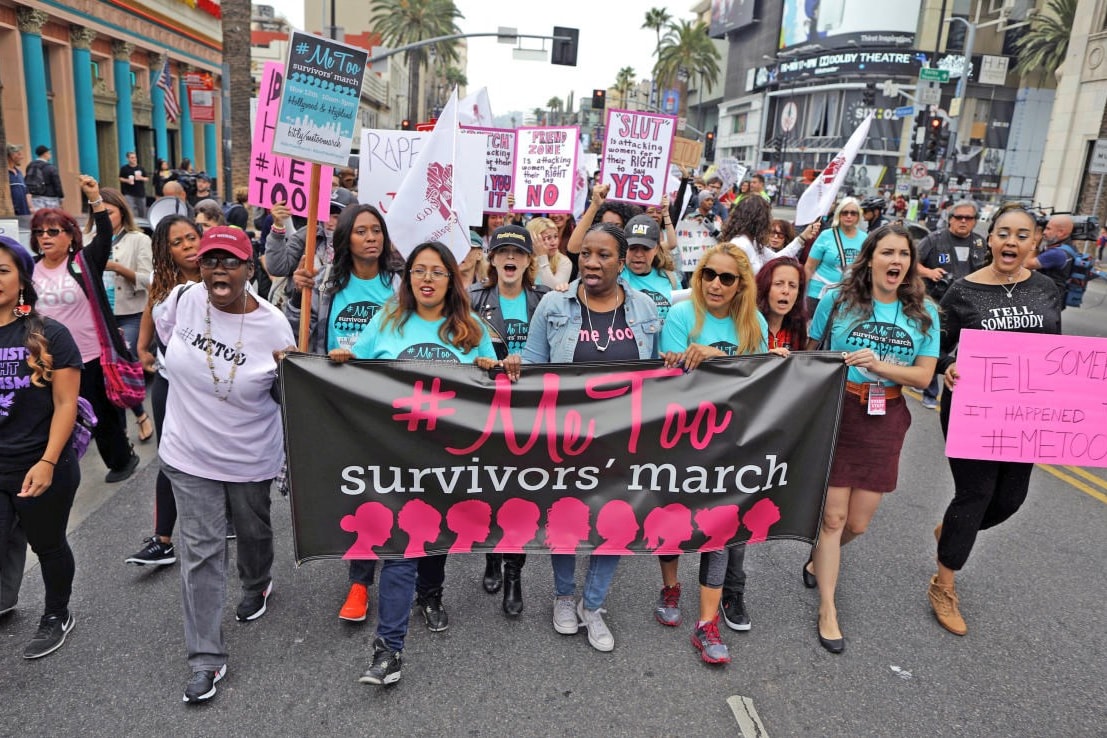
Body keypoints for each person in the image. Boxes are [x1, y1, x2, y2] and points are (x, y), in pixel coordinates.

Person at [329, 240, 498, 686]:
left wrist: (496, 368)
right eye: (418, 270)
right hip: (396, 458)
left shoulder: (471, 328)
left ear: (451, 280)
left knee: (437, 538)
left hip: (449, 461)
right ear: (408, 278)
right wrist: (342, 362)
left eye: (437, 271)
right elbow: (356, 370)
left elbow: (497, 390)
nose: (427, 279)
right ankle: (388, 650)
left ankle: (431, 593)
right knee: (401, 549)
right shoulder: (388, 320)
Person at [156, 226, 295, 704]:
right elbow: (162, 342)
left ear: (249, 269)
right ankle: (205, 658)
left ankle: (258, 581)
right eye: (210, 260)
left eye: (230, 261)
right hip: (187, 452)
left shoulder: (274, 326)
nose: (219, 269)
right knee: (201, 551)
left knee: (253, 530)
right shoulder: (181, 300)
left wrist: (291, 373)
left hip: (248, 455)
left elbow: (287, 397)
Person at [517, 223, 661, 653]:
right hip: (565, 438)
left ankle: (593, 604)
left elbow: (656, 374)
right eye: (586, 254)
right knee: (565, 518)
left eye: (603, 255)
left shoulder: (644, 307)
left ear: (622, 262)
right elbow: (533, 369)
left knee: (614, 520)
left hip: (622, 439)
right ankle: (564, 596)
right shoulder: (553, 305)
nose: (592, 263)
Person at [927, 206, 1062, 637]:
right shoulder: (962, 291)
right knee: (976, 493)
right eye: (1003, 233)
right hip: (973, 409)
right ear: (990, 239)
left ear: (1034, 242)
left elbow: (1056, 352)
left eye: (1021, 235)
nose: (1011, 241)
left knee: (1010, 499)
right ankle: (944, 585)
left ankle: (953, 531)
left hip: (1025, 414)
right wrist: (947, 366)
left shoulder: (1046, 289)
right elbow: (935, 346)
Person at [805, 223, 939, 653]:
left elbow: (924, 376)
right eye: (887, 253)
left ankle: (819, 557)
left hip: (886, 416)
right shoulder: (837, 300)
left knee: (857, 524)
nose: (896, 261)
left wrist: (880, 366)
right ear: (870, 259)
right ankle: (828, 609)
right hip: (839, 409)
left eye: (903, 254)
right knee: (833, 519)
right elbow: (811, 352)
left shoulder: (925, 312)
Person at [657, 242, 776, 663]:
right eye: (709, 274)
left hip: (732, 441)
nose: (716, 284)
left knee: (721, 525)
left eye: (727, 278)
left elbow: (761, 381)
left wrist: (715, 356)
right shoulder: (680, 315)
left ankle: (706, 623)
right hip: (681, 438)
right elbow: (673, 381)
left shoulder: (754, 322)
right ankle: (670, 587)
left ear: (740, 284)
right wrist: (708, 362)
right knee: (673, 518)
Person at [285, 203, 403, 624]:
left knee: (397, 487)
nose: (371, 238)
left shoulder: (401, 284)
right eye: (361, 231)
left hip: (389, 401)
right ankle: (359, 581)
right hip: (340, 401)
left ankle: (408, 574)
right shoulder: (325, 284)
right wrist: (295, 293)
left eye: (377, 230)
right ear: (345, 239)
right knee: (361, 491)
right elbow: (299, 329)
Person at [0, 237, 81, 659]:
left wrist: (48, 461)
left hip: (41, 463)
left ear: (21, 279)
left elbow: (66, 404)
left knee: (47, 544)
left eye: (2, 271)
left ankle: (57, 613)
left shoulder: (50, 334)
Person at [31, 176, 140, 483]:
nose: (45, 237)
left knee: (101, 415)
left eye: (53, 231)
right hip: (48, 359)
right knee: (53, 416)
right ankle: (55, 469)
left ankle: (122, 460)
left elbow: (104, 234)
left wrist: (94, 198)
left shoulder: (84, 261)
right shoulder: (29, 268)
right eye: (40, 232)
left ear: (70, 236)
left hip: (90, 355)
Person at [469, 225, 549, 616]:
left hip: (531, 413)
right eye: (502, 252)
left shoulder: (545, 300)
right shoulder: (473, 299)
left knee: (520, 496)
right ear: (493, 259)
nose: (510, 258)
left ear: (529, 260)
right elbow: (457, 344)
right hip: (487, 412)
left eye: (518, 252)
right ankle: (491, 554)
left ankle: (514, 573)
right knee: (490, 489)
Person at [126, 215, 203, 567]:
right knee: (169, 455)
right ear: (165, 250)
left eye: (191, 237)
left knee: (214, 451)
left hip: (210, 387)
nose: (187, 246)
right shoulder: (162, 280)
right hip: (169, 381)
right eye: (177, 242)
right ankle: (163, 540)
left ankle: (229, 517)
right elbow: (150, 308)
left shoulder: (219, 274)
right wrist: (143, 346)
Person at [84, 187, 155, 442]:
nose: (103, 217)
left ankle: (136, 419)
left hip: (131, 313)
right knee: (106, 371)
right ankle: (128, 424)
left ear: (122, 212)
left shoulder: (139, 239)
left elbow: (148, 280)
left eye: (109, 212)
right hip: (99, 315)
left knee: (122, 365)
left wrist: (117, 267)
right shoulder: (87, 239)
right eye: (99, 212)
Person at [915, 200, 988, 409]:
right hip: (938, 304)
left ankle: (964, 390)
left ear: (975, 221)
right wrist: (929, 272)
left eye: (969, 218)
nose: (963, 221)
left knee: (966, 350)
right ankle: (930, 391)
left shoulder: (980, 243)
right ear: (950, 219)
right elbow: (911, 262)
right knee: (934, 347)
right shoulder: (934, 239)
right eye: (959, 217)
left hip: (970, 306)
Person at [720, 195, 819, 275]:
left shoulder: (753, 242)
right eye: (767, 216)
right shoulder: (740, 244)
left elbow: (776, 259)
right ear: (758, 219)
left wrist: (802, 237)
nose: (769, 221)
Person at [803, 197, 865, 315]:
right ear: (839, 215)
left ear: (858, 216)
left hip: (847, 294)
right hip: (819, 293)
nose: (849, 216)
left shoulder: (864, 238)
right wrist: (801, 292)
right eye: (845, 212)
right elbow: (809, 267)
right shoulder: (826, 236)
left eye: (853, 213)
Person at [621, 213, 681, 322]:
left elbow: (681, 318)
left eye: (645, 248)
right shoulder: (615, 277)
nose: (638, 254)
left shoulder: (671, 279)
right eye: (633, 247)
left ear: (656, 249)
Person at [1024, 214, 1076, 312]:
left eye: (1048, 229)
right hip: (1053, 299)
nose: (1044, 232)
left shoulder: (1057, 253)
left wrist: (1035, 241)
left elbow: (1026, 264)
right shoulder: (1068, 247)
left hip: (1046, 301)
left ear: (1061, 232)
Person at [757, 256, 808, 350]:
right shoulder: (747, 324)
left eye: (792, 285)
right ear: (764, 287)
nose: (786, 291)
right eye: (778, 284)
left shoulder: (798, 328)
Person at [527, 217, 571, 289]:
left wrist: (542, 257)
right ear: (533, 240)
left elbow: (553, 289)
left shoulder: (564, 261)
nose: (554, 243)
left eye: (555, 236)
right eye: (547, 238)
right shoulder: (524, 259)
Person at [26, 146, 64, 210]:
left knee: (39, 215)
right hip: (50, 199)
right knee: (51, 216)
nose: (50, 155)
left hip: (35, 198)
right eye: (49, 153)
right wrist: (61, 197)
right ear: (45, 154)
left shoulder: (30, 166)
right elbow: (57, 184)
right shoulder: (51, 168)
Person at [118, 151, 148, 218]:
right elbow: (120, 178)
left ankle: (142, 222)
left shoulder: (141, 168)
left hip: (140, 193)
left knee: (142, 210)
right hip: (128, 193)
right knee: (130, 210)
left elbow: (147, 178)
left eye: (135, 157)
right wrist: (127, 180)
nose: (134, 159)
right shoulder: (124, 168)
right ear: (127, 159)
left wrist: (141, 178)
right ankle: (132, 222)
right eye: (132, 158)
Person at [7, 144, 32, 216]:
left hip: (24, 214)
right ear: (11, 155)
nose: (22, 157)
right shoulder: (3, 175)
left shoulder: (19, 172)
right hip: (11, 216)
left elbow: (26, 192)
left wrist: (31, 207)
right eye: (18, 154)